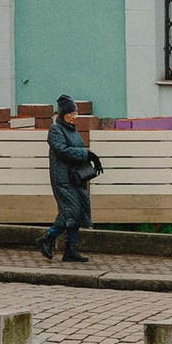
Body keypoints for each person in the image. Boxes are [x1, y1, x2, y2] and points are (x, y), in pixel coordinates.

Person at [39, 96, 99, 263]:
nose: (74, 116)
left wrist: (89, 157)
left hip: (76, 177)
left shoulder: (71, 129)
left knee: (77, 212)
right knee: (70, 211)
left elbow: (76, 150)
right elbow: (62, 150)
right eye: (71, 113)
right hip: (62, 178)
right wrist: (86, 153)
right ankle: (47, 238)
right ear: (63, 113)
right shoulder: (56, 129)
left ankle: (70, 250)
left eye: (75, 112)